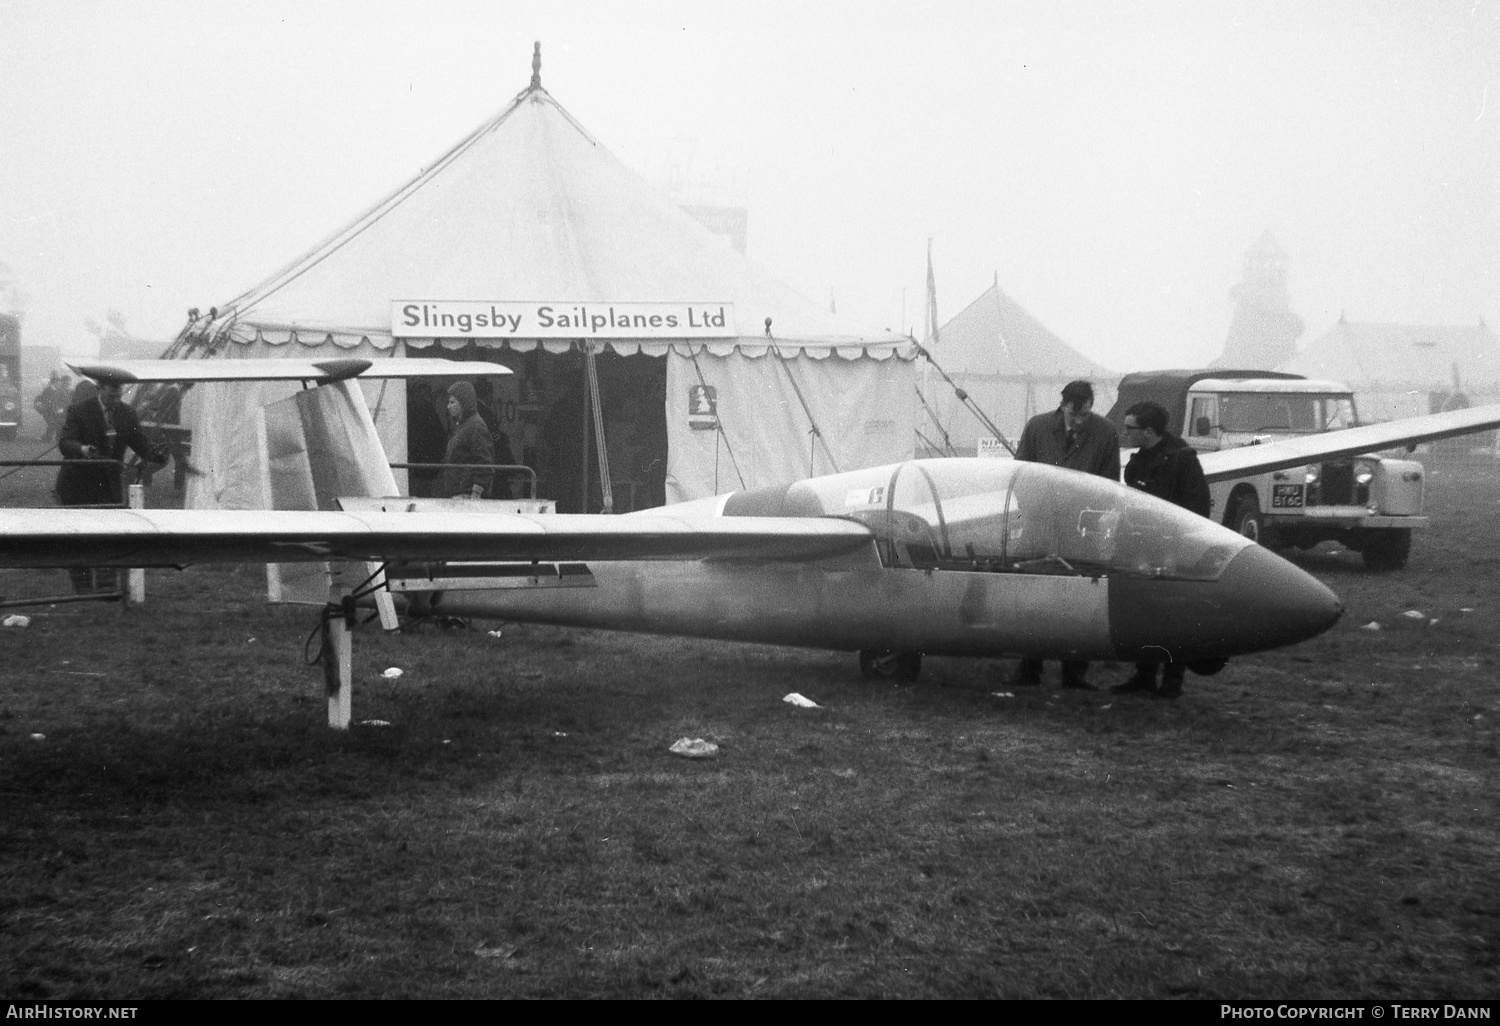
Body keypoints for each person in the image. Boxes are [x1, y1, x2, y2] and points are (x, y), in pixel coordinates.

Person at [1012, 379, 1121, 690]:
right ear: (1062, 406)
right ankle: (1029, 668)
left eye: (1085, 415)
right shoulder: (1037, 427)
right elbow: (1019, 473)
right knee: (1033, 596)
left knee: (1078, 600)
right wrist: (1033, 506)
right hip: (1038, 526)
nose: (1079, 421)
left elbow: (1110, 482)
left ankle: (1074, 673)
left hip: (1081, 529)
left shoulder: (1105, 433)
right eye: (1074, 415)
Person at [1113, 399, 1212, 700]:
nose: (1125, 433)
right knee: (1145, 614)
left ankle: (1171, 681)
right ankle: (1144, 675)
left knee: (1171, 616)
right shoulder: (1139, 460)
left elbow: (1196, 508)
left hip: (1172, 551)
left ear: (1149, 430)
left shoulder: (1182, 459)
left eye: (1130, 428)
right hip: (1142, 549)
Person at [55, 374, 166, 593]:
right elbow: (65, 442)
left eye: (119, 394)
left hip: (109, 486)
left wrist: (157, 453)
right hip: (79, 484)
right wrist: (82, 449)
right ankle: (83, 587)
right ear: (100, 389)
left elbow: (140, 444)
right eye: (111, 394)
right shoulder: (80, 410)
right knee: (79, 537)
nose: (115, 398)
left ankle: (106, 588)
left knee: (108, 536)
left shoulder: (127, 414)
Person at [438, 381, 494, 499]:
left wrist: (475, 494)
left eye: (452, 402)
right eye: (448, 402)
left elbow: (485, 463)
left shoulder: (475, 427)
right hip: (458, 495)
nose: (448, 406)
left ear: (464, 403)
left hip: (465, 497)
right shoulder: (463, 425)